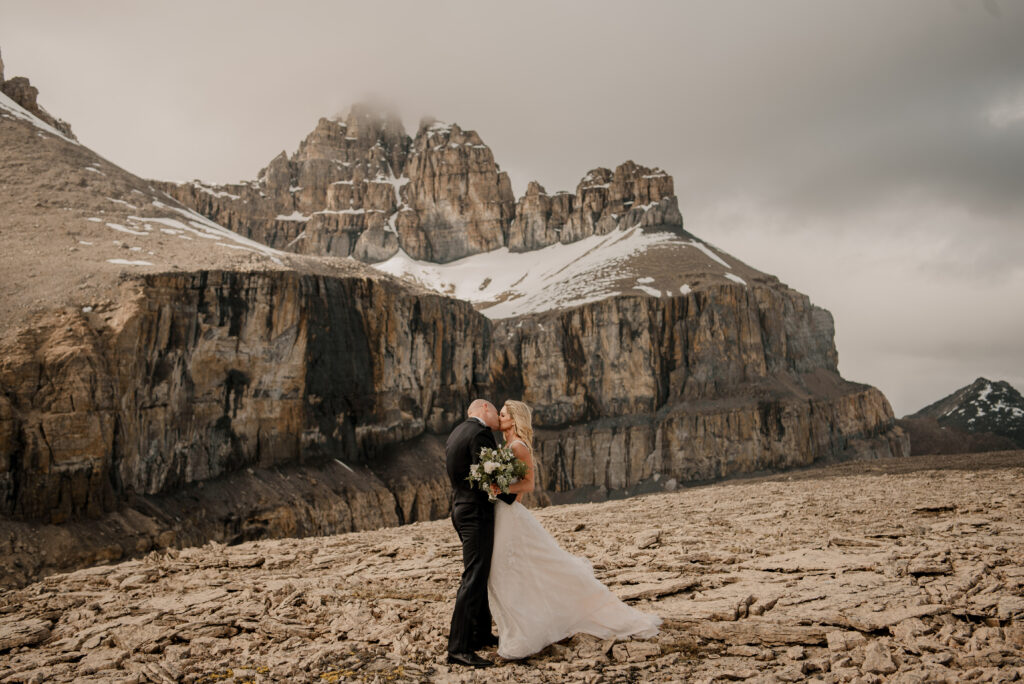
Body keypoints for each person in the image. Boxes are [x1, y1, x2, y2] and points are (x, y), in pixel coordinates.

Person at [486, 399, 661, 660]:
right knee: (513, 572)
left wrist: (501, 490)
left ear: (514, 419)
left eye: (502, 415)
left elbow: (529, 484)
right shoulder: (506, 446)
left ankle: (529, 631)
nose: (498, 419)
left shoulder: (518, 447)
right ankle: (523, 626)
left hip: (510, 515)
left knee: (518, 570)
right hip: (505, 513)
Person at [444, 398, 512, 668]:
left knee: (479, 573)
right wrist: (509, 497)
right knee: (473, 577)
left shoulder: (457, 432)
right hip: (475, 513)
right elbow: (487, 476)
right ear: (484, 409)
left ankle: (480, 633)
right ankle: (458, 648)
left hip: (460, 509)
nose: (498, 417)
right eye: (497, 411)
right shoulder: (481, 433)